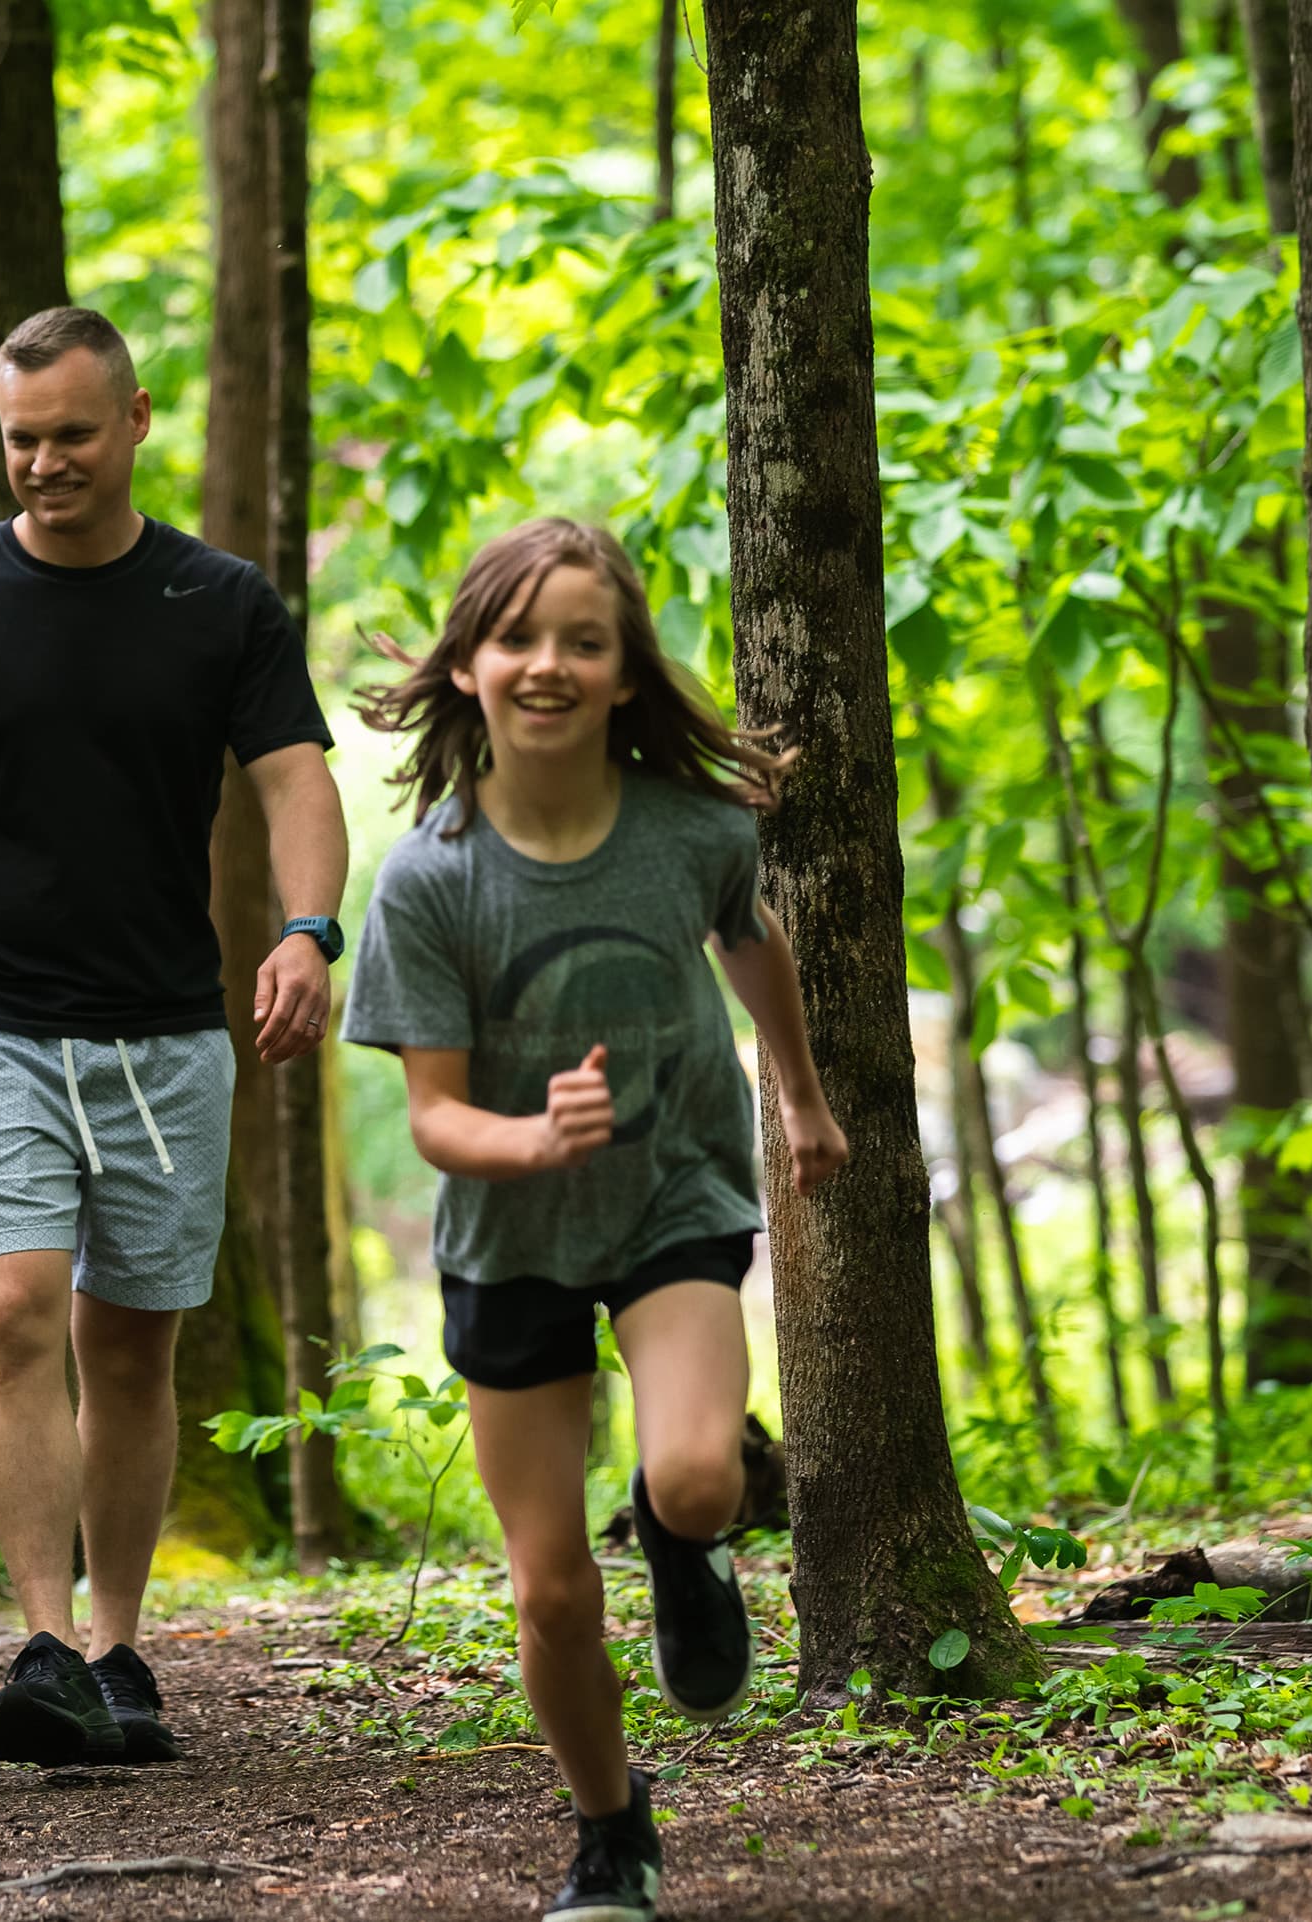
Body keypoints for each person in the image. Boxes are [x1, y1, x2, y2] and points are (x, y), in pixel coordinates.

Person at [0, 306, 348, 1766]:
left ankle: (119, 1648)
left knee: (130, 1347)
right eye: (20, 438)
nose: (42, 461)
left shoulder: (219, 602)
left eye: (68, 432)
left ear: (134, 421)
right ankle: (43, 1641)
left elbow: (298, 782)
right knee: (9, 1311)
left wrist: (307, 930)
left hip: (166, 1032)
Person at [340, 519, 846, 1922]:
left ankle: (683, 1539)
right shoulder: (430, 878)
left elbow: (751, 943)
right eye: (516, 639)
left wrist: (795, 1097)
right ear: (465, 668)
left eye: (583, 640)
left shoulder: (691, 828)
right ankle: (609, 1826)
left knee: (690, 1474)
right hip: (506, 1242)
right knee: (551, 1593)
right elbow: (434, 1116)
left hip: (672, 1194)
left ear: (626, 673)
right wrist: (531, 1135)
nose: (546, 665)